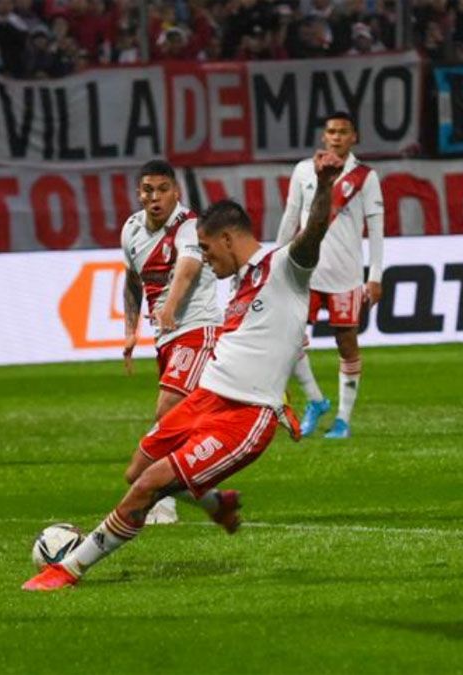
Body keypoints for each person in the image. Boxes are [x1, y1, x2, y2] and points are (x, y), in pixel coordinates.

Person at [21, 150, 346, 592]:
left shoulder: (284, 267)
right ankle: (217, 506)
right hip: (206, 401)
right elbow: (267, 341)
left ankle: (68, 569)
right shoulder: (240, 284)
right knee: (137, 469)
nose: (207, 262)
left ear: (229, 239)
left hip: (242, 418)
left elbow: (315, 232)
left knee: (151, 484)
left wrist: (325, 185)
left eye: (209, 252)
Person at [120, 160, 222, 525]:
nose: (155, 197)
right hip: (167, 339)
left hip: (197, 327)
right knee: (185, 423)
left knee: (167, 412)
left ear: (176, 192)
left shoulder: (189, 225)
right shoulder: (131, 229)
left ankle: (157, 498)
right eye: (148, 190)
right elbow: (132, 281)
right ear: (139, 193)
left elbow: (188, 267)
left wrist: (171, 307)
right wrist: (131, 330)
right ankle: (208, 497)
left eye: (163, 189)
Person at [276, 112, 384, 439]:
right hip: (304, 273)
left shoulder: (365, 177)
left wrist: (375, 275)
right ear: (324, 136)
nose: (336, 137)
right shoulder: (304, 171)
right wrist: (275, 260)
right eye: (331, 131)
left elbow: (377, 229)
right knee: (290, 339)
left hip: (346, 275)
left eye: (343, 132)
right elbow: (291, 217)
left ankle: (342, 420)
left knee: (346, 343)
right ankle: (316, 400)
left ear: (354, 137)